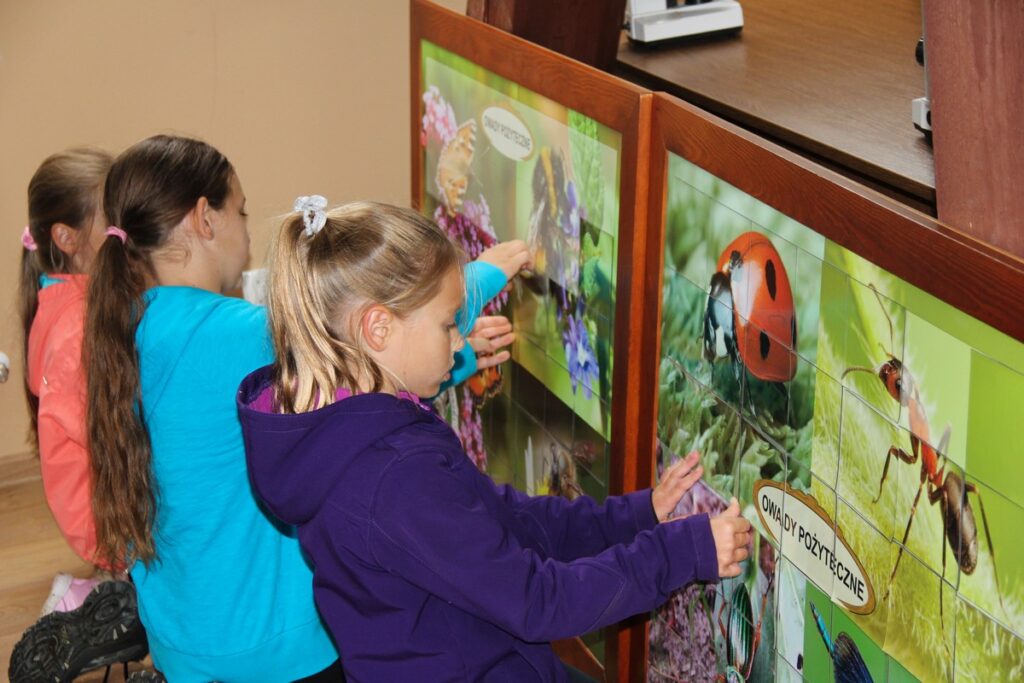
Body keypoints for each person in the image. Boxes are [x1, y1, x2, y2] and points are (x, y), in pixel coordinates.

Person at [237, 199, 752, 681]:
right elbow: (539, 601)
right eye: (448, 325)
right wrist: (686, 550)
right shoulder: (391, 477)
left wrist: (639, 515)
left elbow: (503, 520)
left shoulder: (353, 425)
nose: (461, 341)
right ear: (378, 329)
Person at [82, 135, 527, 682]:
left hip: (181, 638)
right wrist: (481, 276)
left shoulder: (126, 324)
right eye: (240, 210)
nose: (246, 231)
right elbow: (363, 349)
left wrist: (455, 350)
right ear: (204, 219)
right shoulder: (234, 336)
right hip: (270, 648)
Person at [10, 147, 149, 683]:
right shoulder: (78, 327)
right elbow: (112, 433)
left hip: (89, 502)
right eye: (111, 219)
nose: (125, 231)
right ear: (66, 239)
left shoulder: (61, 299)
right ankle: (93, 601)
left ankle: (100, 590)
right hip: (103, 514)